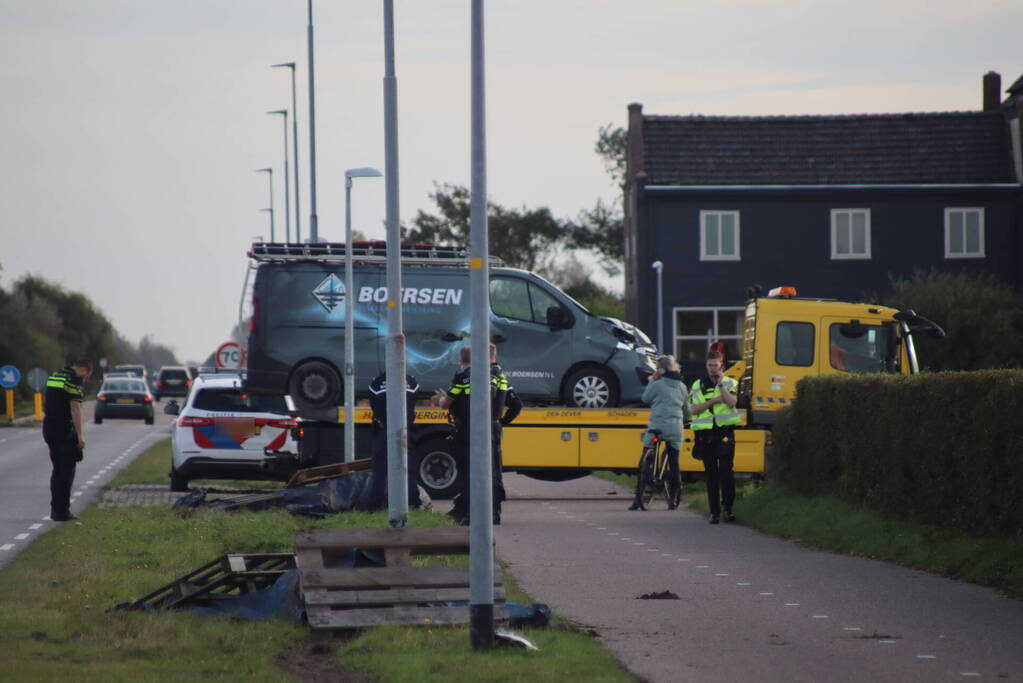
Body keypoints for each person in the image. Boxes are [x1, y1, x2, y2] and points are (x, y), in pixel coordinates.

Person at [433, 344, 513, 524]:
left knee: (469, 472)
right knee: (492, 472)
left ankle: (469, 513)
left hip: (469, 430)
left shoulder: (462, 377)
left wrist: (440, 399)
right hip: (492, 427)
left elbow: (447, 404)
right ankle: (493, 512)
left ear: (461, 360)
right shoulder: (496, 375)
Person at [629, 355, 690, 510]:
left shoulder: (657, 384)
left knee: (645, 458)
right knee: (674, 463)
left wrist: (651, 381)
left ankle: (639, 498)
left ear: (660, 370)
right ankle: (674, 500)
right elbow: (687, 411)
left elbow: (645, 398)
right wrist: (685, 420)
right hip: (675, 428)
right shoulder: (682, 387)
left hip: (657, 427)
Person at [689, 349, 742, 524]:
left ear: (722, 366)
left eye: (715, 365)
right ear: (706, 366)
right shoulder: (698, 385)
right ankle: (714, 512)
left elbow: (732, 402)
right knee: (711, 474)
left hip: (725, 432)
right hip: (705, 435)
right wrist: (712, 401)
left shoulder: (730, 383)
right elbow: (693, 410)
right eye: (710, 365)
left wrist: (721, 385)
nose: (712, 369)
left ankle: (728, 509)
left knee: (727, 472)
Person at [43, 359, 93, 522]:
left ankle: (55, 509)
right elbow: (75, 408)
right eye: (86, 376)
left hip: (49, 426)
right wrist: (80, 435)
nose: (84, 380)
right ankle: (61, 512)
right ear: (84, 370)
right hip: (64, 428)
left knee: (57, 469)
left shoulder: (55, 376)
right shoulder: (74, 380)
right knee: (66, 471)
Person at [367, 371, 422, 509]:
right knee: (407, 467)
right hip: (405, 430)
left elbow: (373, 402)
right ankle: (413, 502)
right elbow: (415, 396)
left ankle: (375, 505)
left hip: (383, 429)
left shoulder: (377, 382)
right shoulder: (410, 381)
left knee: (380, 469)